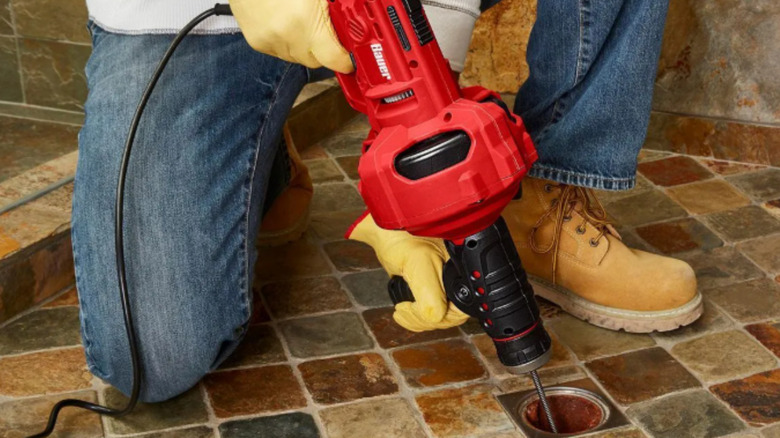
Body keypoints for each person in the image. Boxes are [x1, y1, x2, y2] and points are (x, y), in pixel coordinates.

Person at [73, 0, 699, 403]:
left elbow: (398, 43)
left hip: (386, 12)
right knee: (148, 363)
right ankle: (259, 158)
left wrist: (423, 132)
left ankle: (549, 187)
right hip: (195, 15)